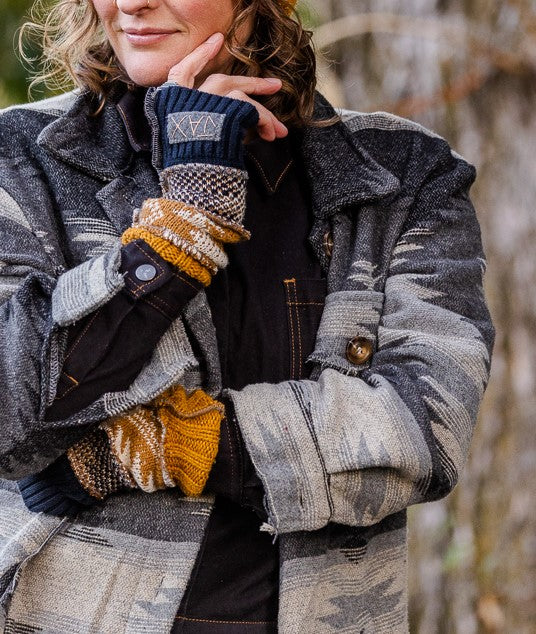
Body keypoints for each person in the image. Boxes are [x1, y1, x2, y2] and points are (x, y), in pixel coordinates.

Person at [0, 0, 495, 632]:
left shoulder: (402, 177)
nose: (128, 3)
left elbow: (425, 431)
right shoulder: (19, 161)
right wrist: (183, 221)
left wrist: (173, 445)